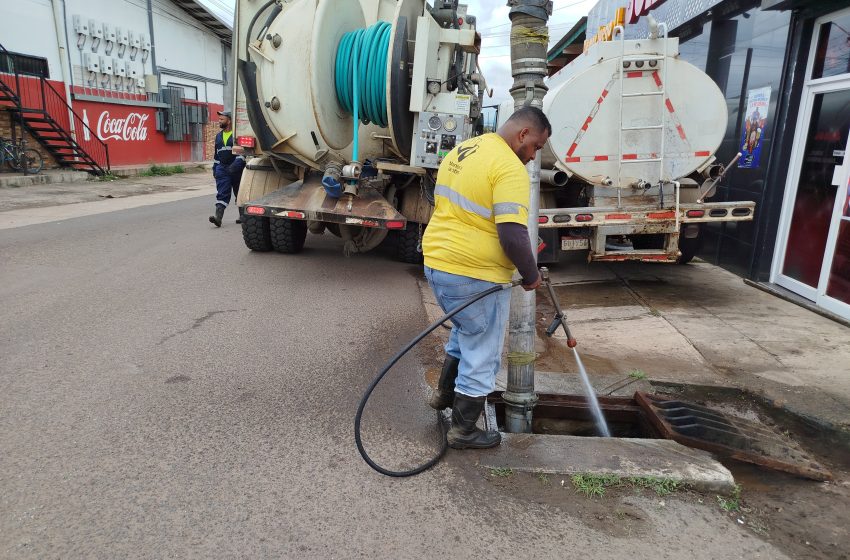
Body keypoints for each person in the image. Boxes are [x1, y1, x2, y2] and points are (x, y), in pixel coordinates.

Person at [422, 105, 551, 450]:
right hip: (473, 273)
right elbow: (512, 234)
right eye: (536, 147)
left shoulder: (464, 149)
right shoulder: (508, 167)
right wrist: (530, 274)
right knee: (483, 350)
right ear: (523, 134)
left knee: (465, 332)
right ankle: (463, 430)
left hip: (437, 261)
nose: (533, 156)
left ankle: (444, 396)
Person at [209, 110, 246, 227]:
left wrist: (236, 166)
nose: (219, 121)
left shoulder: (237, 135)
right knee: (222, 192)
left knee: (239, 192)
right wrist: (215, 168)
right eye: (219, 119)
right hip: (222, 168)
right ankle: (218, 218)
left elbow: (242, 154)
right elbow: (216, 155)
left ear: (229, 121)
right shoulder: (218, 136)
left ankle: (242, 216)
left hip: (236, 169)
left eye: (222, 119)